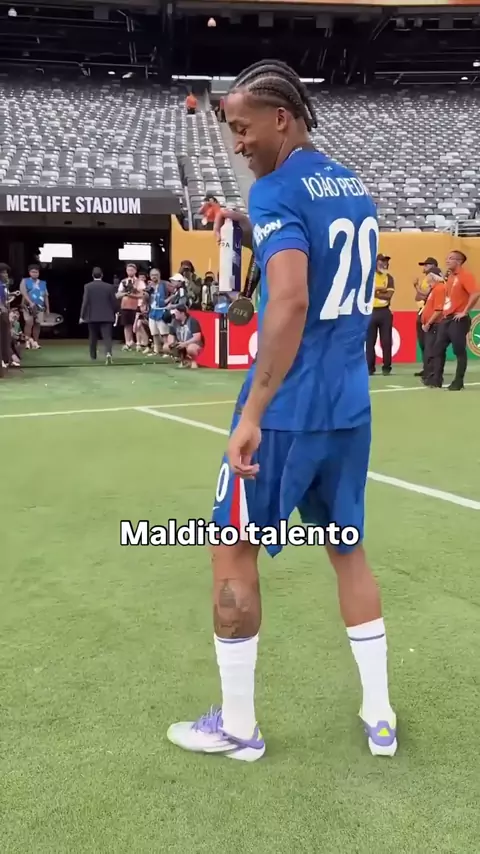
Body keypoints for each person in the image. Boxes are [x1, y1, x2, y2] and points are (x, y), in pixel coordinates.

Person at [167, 59, 396, 761]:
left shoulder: (275, 190)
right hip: (348, 404)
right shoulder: (352, 185)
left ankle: (239, 727)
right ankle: (380, 716)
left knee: (231, 546)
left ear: (281, 118)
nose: (237, 143)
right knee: (348, 549)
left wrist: (253, 411)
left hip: (288, 408)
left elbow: (291, 299)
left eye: (242, 128)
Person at [431, 251, 480, 390]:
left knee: (459, 350)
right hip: (446, 318)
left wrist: (465, 311)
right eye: (447, 258)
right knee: (438, 348)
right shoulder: (450, 277)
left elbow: (476, 293)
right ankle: (436, 379)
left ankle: (458, 381)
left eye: (451, 258)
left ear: (459, 261)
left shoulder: (465, 276)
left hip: (458, 319)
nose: (447, 261)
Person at [79, 267, 118, 364]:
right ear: (102, 275)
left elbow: (85, 302)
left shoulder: (88, 286)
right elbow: (114, 301)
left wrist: (82, 316)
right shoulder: (109, 287)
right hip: (107, 316)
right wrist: (116, 311)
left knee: (93, 337)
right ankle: (108, 353)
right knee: (107, 336)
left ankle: (93, 356)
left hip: (92, 316)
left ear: (92, 275)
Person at [366, 255, 395, 376]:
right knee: (370, 341)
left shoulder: (389, 278)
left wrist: (375, 292)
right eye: (382, 261)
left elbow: (388, 296)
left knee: (386, 341)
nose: (384, 264)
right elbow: (366, 293)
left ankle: (387, 367)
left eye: (386, 262)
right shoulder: (369, 277)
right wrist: (381, 291)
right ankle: (370, 367)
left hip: (384, 311)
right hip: (371, 311)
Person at [419, 269, 446, 386]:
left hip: (435, 325)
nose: (426, 278)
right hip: (431, 325)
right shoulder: (434, 289)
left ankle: (434, 378)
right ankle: (430, 377)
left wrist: (428, 323)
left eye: (428, 276)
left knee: (433, 352)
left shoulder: (439, 289)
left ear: (433, 277)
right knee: (430, 352)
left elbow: (438, 310)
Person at [414, 257, 438, 378]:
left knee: (429, 344)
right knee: (423, 343)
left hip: (429, 313)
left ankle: (432, 369)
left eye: (426, 265)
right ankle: (426, 368)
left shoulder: (435, 280)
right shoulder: (426, 280)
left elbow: (426, 295)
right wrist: (419, 291)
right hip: (422, 311)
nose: (424, 267)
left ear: (433, 266)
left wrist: (416, 287)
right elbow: (418, 297)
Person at [163, 304, 204, 368]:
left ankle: (194, 361)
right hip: (181, 343)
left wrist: (185, 343)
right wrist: (172, 344)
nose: (175, 314)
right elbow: (171, 336)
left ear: (182, 313)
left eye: (176, 312)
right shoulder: (174, 322)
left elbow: (197, 337)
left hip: (193, 344)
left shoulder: (192, 321)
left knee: (191, 348)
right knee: (166, 347)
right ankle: (184, 360)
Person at [20, 263, 49, 350]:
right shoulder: (25, 281)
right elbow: (23, 292)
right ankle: (28, 341)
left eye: (36, 272)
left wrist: (48, 308)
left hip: (40, 305)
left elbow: (45, 296)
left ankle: (35, 342)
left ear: (38, 273)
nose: (34, 273)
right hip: (28, 305)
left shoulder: (43, 283)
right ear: (29, 273)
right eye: (32, 272)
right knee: (29, 322)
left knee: (37, 324)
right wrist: (30, 302)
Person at [116, 263, 144, 351]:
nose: (130, 272)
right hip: (125, 306)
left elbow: (142, 294)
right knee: (126, 325)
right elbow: (118, 295)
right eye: (128, 270)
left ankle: (138, 343)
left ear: (135, 271)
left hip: (136, 306)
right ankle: (128, 342)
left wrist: (131, 294)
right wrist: (125, 293)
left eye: (132, 270)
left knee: (136, 325)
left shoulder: (139, 282)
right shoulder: (123, 282)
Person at [147, 269, 170, 355]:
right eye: (152, 275)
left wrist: (168, 301)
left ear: (159, 275)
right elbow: (146, 297)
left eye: (156, 275)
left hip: (162, 310)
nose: (154, 277)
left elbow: (175, 293)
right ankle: (156, 350)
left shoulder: (165, 284)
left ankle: (167, 351)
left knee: (164, 333)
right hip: (152, 311)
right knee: (154, 333)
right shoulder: (149, 286)